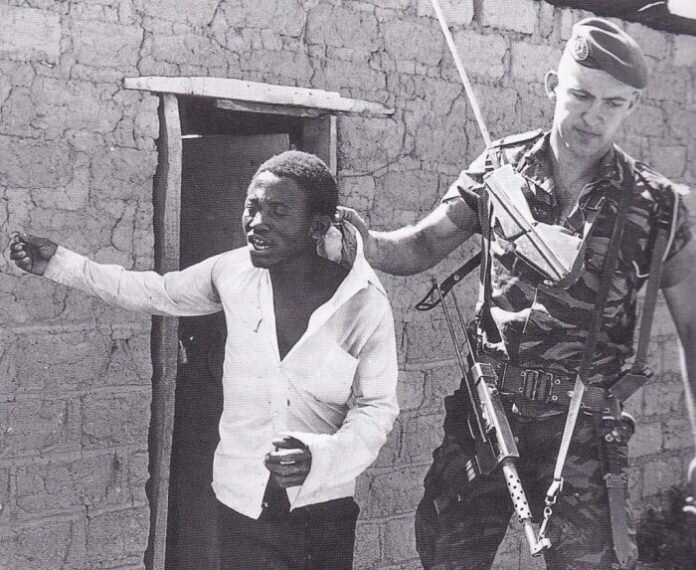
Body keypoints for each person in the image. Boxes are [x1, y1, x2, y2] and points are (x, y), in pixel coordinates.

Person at [343, 18, 696, 570]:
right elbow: (423, 245)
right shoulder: (500, 167)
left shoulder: (656, 205)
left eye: (612, 103)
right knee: (446, 557)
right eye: (581, 95)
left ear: (631, 106)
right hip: (488, 416)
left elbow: (693, 329)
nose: (593, 116)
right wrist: (367, 245)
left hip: (583, 434)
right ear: (553, 85)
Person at [10, 150, 399, 570]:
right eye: (252, 207)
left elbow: (376, 408)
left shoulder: (362, 303)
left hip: (321, 513)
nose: (257, 222)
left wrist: (320, 457)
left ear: (316, 226)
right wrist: (61, 264)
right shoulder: (231, 274)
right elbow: (154, 292)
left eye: (278, 211)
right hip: (240, 503)